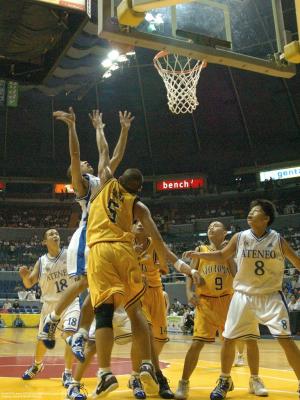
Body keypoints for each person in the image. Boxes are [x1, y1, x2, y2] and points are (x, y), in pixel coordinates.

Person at [86, 110, 200, 399]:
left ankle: (106, 372)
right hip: (125, 251)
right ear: (137, 188)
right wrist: (178, 264)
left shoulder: (105, 181)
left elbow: (104, 149)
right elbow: (158, 240)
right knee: (136, 311)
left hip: (100, 250)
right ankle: (148, 365)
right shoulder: (139, 205)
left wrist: (101, 126)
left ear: (120, 177)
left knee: (104, 311)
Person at [41, 107, 133, 360]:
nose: (85, 162)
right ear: (75, 173)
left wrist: (120, 130)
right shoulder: (82, 184)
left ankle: (81, 333)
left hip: (102, 239)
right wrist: (72, 127)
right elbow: (75, 154)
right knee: (84, 283)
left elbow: (111, 154)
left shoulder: (102, 179)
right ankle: (52, 319)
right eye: (82, 165)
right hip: (86, 237)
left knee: (96, 289)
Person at [184, 199, 300, 400]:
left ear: (265, 219)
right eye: (250, 210)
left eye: (255, 212)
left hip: (270, 296)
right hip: (243, 295)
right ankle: (224, 380)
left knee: (286, 340)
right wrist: (198, 255)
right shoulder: (240, 237)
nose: (250, 214)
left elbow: (297, 262)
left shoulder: (278, 240)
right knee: (228, 339)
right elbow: (221, 255)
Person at [175, 221, 236, 399]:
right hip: (205, 302)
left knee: (228, 343)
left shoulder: (230, 250)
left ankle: (225, 379)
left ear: (225, 232)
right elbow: (190, 271)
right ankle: (184, 382)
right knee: (196, 343)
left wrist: (229, 255)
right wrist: (188, 291)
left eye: (216, 226)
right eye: (209, 226)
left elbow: (236, 273)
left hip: (226, 301)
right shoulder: (200, 249)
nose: (211, 228)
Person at [19, 229, 80, 387]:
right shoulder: (41, 261)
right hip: (49, 306)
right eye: (51, 234)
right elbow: (29, 283)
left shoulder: (69, 254)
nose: (55, 235)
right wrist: (25, 276)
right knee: (42, 342)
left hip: (70, 302)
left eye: (56, 233)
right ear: (44, 242)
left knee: (70, 334)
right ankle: (37, 365)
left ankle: (67, 373)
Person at [130, 220, 173, 399]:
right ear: (129, 227)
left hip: (156, 292)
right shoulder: (126, 245)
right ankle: (138, 377)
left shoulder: (155, 244)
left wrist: (155, 265)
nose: (140, 224)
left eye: (142, 222)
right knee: (144, 333)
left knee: (160, 338)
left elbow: (165, 270)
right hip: (137, 293)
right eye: (136, 222)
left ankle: (145, 369)